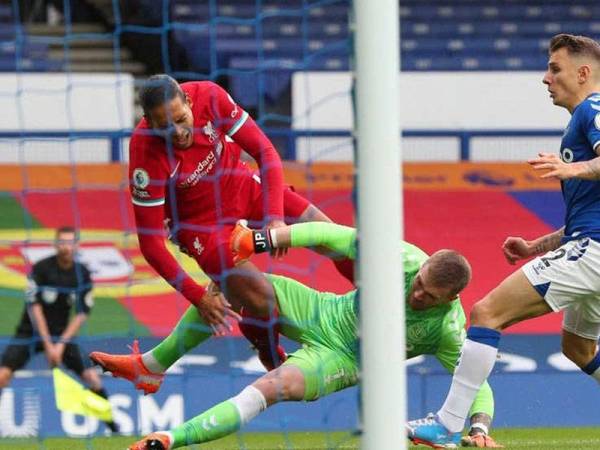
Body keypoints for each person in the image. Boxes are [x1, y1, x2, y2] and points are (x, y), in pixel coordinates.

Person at [92, 221, 500, 449]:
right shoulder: (406, 259)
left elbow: (473, 382)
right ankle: (151, 367)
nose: (416, 293)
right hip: (322, 308)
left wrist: (479, 427)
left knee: (273, 386)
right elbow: (330, 235)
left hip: (343, 359)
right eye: (419, 283)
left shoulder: (448, 328)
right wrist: (262, 239)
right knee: (231, 283)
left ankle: (167, 440)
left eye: (428, 295)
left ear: (452, 299)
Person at [407, 33, 600, 448]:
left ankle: (447, 424)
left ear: (584, 72)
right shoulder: (580, 122)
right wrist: (537, 247)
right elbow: (588, 219)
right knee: (579, 348)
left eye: (555, 68)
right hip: (590, 246)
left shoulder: (594, 108)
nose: (545, 78)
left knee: (486, 312)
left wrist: (575, 168)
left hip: (593, 254)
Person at [127, 74, 353, 370]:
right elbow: (150, 243)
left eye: (181, 119)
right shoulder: (144, 153)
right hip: (200, 227)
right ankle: (267, 349)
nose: (178, 132)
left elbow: (266, 152)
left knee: (331, 235)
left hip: (242, 184)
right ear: (148, 120)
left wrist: (274, 220)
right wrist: (198, 297)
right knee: (262, 299)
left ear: (189, 101)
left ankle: (375, 310)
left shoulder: (211, 96)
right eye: (164, 127)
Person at [0, 226, 118, 432]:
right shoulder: (41, 269)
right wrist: (48, 346)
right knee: (2, 375)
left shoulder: (82, 273)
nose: (66, 247)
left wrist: (60, 345)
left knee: (92, 377)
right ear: (55, 244)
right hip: (30, 333)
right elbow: (34, 308)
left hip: (62, 336)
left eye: (70, 242)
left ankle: (114, 429)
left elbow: (82, 313)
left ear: (76, 246)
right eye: (62, 242)